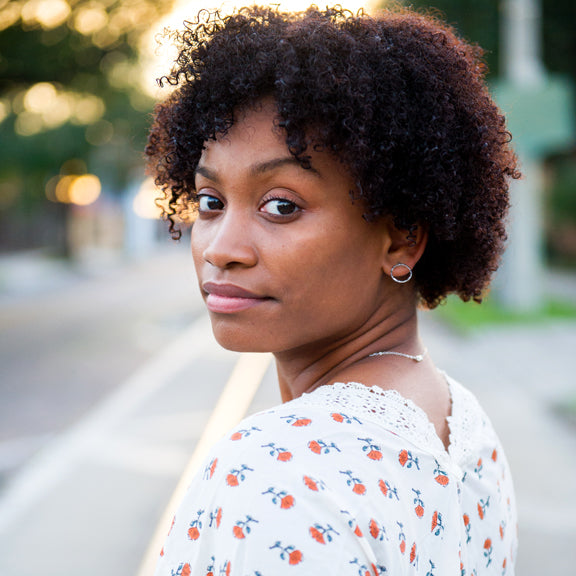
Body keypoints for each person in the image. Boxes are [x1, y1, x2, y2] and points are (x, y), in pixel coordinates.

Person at [146, 5, 519, 575]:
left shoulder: (274, 468)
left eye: (281, 206)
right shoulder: (465, 429)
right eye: (210, 202)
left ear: (401, 238)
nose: (221, 247)